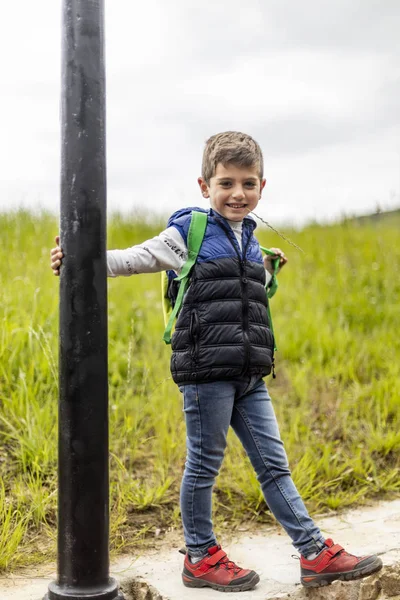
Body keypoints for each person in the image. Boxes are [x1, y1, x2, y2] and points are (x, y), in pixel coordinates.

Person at [50, 131, 382, 592]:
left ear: (262, 186)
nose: (238, 193)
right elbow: (134, 259)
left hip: (249, 375)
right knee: (205, 463)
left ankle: (313, 552)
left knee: (274, 465)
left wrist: (266, 267)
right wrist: (79, 257)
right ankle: (201, 556)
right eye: (226, 183)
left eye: (248, 183)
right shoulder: (190, 231)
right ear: (205, 186)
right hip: (206, 374)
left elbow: (232, 290)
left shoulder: (250, 237)